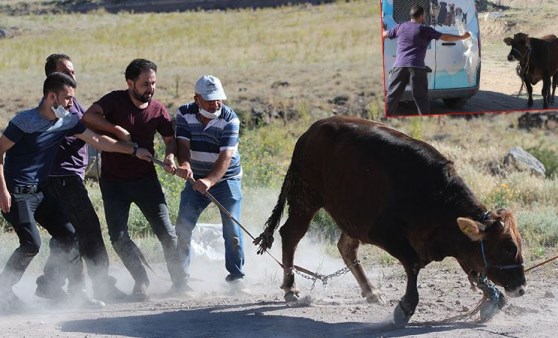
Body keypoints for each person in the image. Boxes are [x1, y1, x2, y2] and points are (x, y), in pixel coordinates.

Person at [0, 72, 151, 311]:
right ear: (52, 97)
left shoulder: (66, 120)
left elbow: (98, 141)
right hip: (16, 193)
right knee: (31, 243)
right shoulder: (24, 121)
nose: (72, 103)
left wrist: (131, 151)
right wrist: (3, 191)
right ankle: (3, 292)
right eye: (68, 98)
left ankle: (73, 293)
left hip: (41, 192)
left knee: (70, 236)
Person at [82, 58, 186, 301]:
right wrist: (117, 130)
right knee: (118, 238)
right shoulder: (114, 100)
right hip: (113, 183)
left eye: (153, 83)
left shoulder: (158, 109)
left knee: (167, 233)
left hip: (145, 180)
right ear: (130, 82)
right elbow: (89, 117)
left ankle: (180, 282)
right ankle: (141, 280)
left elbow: (170, 140)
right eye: (145, 84)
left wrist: (170, 157)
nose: (150, 88)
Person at [34, 54, 128, 303]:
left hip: (64, 177)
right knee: (87, 232)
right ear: (52, 78)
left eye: (73, 71)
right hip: (62, 178)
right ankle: (93, 289)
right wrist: (127, 144)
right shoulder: (58, 108)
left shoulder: (69, 102)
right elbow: (93, 137)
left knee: (68, 234)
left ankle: (49, 284)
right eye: (66, 72)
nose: (72, 76)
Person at [174, 75, 245, 290]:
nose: (215, 104)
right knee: (183, 226)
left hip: (226, 178)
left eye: (219, 99)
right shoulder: (184, 113)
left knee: (232, 228)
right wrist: (185, 165)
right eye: (210, 100)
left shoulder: (230, 119)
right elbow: (183, 145)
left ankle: (236, 277)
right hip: (196, 178)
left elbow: (226, 157)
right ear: (196, 98)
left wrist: (209, 180)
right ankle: (181, 280)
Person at [382, 4, 471, 115]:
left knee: (392, 97)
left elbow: (383, 35)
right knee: (421, 99)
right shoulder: (425, 29)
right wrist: (462, 37)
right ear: (421, 16)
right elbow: (446, 37)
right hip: (417, 68)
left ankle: (386, 119)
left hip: (399, 67)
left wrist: (382, 27)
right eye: (424, 15)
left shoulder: (400, 27)